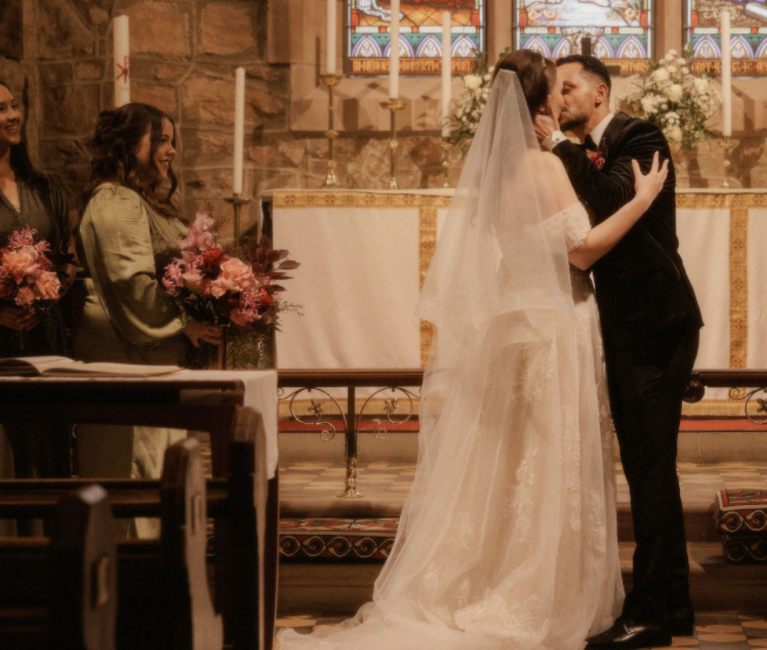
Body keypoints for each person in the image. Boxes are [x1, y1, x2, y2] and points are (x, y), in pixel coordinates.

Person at [277, 49, 672, 650]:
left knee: (512, 460)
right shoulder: (544, 167)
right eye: (558, 90)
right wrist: (643, 200)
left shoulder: (496, 170)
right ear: (543, 101)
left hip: (512, 324)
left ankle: (489, 576)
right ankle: (539, 588)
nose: (565, 99)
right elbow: (582, 250)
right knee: (550, 461)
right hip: (554, 325)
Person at [534, 54, 704, 650]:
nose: (558, 99)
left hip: (658, 323)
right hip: (631, 323)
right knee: (648, 467)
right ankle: (675, 602)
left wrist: (557, 143)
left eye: (569, 88)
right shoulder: (585, 148)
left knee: (650, 469)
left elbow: (609, 201)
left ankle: (651, 612)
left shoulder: (641, 135)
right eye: (554, 91)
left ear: (602, 93)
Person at [74, 103, 222, 537]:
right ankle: (135, 585)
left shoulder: (138, 200)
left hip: (145, 357)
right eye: (160, 139)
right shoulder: (114, 200)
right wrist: (186, 322)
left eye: (171, 139)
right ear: (126, 144)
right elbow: (130, 283)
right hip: (127, 357)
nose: (170, 150)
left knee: (157, 471)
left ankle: (159, 576)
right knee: (134, 472)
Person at [0, 79, 73, 357]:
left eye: (15, 106)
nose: (14, 115)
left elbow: (67, 253)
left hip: (45, 333)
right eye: (1, 108)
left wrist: (47, 298)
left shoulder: (44, 186)